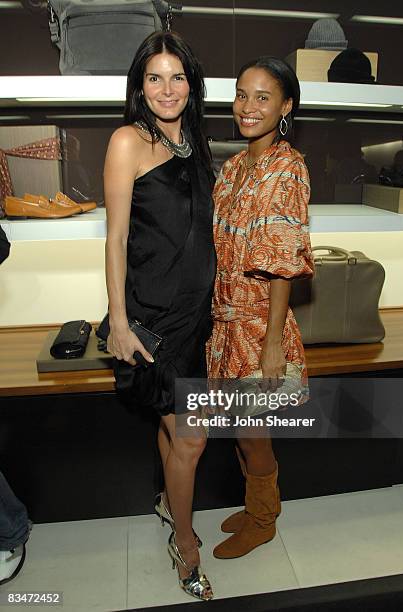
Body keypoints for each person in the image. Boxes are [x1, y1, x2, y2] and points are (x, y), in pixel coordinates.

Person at [103, 32, 215, 600]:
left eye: (177, 77)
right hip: (153, 317)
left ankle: (171, 504)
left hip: (197, 316)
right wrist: (119, 322)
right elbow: (116, 238)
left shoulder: (197, 143)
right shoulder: (128, 141)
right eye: (154, 77)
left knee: (173, 429)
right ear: (139, 86)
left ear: (190, 83)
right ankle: (187, 544)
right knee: (191, 439)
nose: (167, 89)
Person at [208, 57, 314, 559]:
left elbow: (281, 261)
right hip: (224, 323)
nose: (248, 108)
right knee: (236, 425)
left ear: (286, 106)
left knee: (254, 433)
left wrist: (273, 342)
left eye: (263, 97)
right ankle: (254, 506)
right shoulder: (232, 167)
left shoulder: (288, 169)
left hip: (257, 327)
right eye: (241, 95)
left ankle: (264, 519)